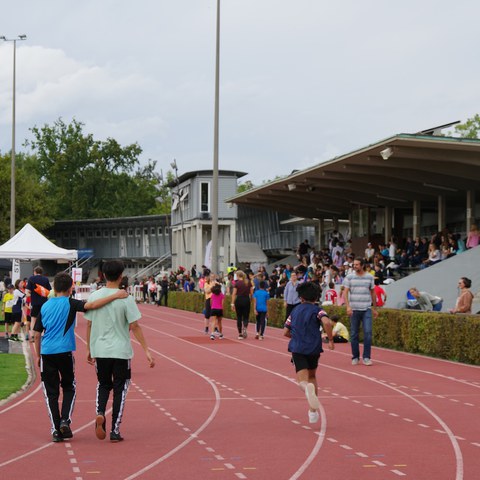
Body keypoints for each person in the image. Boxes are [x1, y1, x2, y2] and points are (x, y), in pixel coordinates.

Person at [33, 272, 128, 443]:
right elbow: (93, 305)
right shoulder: (71, 303)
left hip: (47, 353)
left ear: (54, 288)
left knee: (50, 392)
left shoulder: (45, 307)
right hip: (65, 352)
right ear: (70, 289)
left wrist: (38, 355)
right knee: (69, 387)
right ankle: (65, 421)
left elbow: (36, 334)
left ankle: (56, 430)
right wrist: (116, 295)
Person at [85, 260, 155, 442]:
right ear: (121, 276)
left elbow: (89, 324)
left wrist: (89, 349)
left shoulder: (94, 296)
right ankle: (115, 430)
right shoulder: (125, 298)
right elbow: (135, 325)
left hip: (100, 349)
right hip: (120, 351)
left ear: (103, 275)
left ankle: (100, 411)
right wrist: (146, 350)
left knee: (103, 384)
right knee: (120, 389)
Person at [283, 282, 334, 424]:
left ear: (301, 297)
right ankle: (312, 411)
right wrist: (330, 340)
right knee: (312, 376)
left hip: (298, 348)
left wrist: (297, 337)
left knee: (303, 381)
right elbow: (327, 322)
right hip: (314, 348)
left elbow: (285, 331)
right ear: (316, 297)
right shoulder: (318, 310)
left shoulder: (295, 311)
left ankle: (306, 389)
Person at [343, 257, 377, 366]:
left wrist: (374, 308)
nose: (354, 266)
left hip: (366, 308)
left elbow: (373, 292)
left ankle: (366, 357)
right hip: (354, 309)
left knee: (368, 332)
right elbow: (345, 292)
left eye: (357, 264)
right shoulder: (350, 277)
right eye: (354, 264)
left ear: (362, 265)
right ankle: (355, 356)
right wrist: (348, 307)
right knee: (354, 334)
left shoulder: (369, 277)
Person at [26, 266, 52, 341]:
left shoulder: (31, 278)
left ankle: (33, 336)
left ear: (35, 272)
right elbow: (49, 291)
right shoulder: (46, 279)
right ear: (41, 272)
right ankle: (43, 335)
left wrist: (32, 295)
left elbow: (28, 291)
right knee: (44, 318)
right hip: (44, 303)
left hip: (35, 302)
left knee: (33, 319)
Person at [231, 270, 252, 339]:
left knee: (239, 317)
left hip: (239, 300)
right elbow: (251, 293)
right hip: (246, 300)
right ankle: (245, 327)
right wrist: (250, 300)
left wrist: (232, 303)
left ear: (237, 276)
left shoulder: (237, 283)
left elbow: (234, 294)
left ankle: (240, 334)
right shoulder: (248, 282)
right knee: (246, 316)